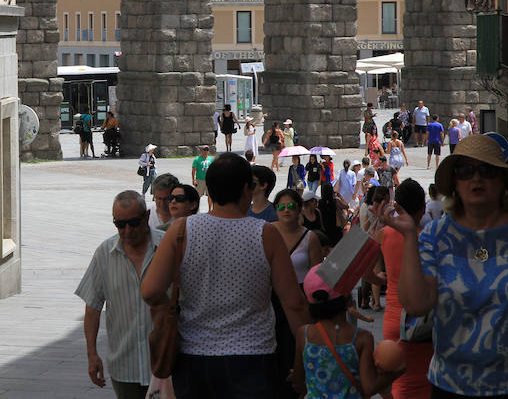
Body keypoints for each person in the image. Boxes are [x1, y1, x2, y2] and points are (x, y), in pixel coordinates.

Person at [384, 134, 508, 397]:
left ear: (501, 180)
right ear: (454, 183)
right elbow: (417, 305)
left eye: (486, 170)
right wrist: (409, 237)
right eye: (465, 171)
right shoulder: (435, 236)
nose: (476, 178)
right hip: (453, 385)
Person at [141, 153, 311, 398]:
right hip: (253, 356)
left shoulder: (182, 230)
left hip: (194, 356)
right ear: (246, 189)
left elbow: (150, 291)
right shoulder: (266, 233)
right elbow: (294, 304)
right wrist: (303, 357)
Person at [76, 191, 163, 399]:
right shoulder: (104, 253)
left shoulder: (167, 246)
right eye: (120, 224)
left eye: (133, 223)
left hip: (166, 364)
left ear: (146, 216)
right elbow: (93, 307)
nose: (127, 231)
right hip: (125, 366)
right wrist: (92, 354)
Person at [290, 266, 404, 399]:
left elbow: (298, 381)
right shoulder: (362, 338)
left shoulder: (304, 334)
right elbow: (369, 388)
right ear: (348, 300)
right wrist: (397, 371)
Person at [370, 179, 433, 399]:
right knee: (422, 383)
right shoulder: (427, 238)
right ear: (423, 209)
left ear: (397, 206)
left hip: (393, 316)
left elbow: (364, 271)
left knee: (395, 381)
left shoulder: (385, 234)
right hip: (420, 321)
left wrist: (381, 281)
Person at [271, 189, 323, 399]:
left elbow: (317, 276)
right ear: (275, 210)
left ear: (299, 208)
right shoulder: (267, 232)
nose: (286, 210)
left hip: (301, 295)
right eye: (281, 207)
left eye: (291, 206)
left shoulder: (309, 238)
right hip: (272, 298)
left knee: (295, 347)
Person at [359, 185, 389, 311]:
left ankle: (376, 302)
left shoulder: (369, 209)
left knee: (376, 272)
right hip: (387, 244)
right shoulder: (390, 210)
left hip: (373, 244)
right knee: (388, 272)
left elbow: (366, 228)